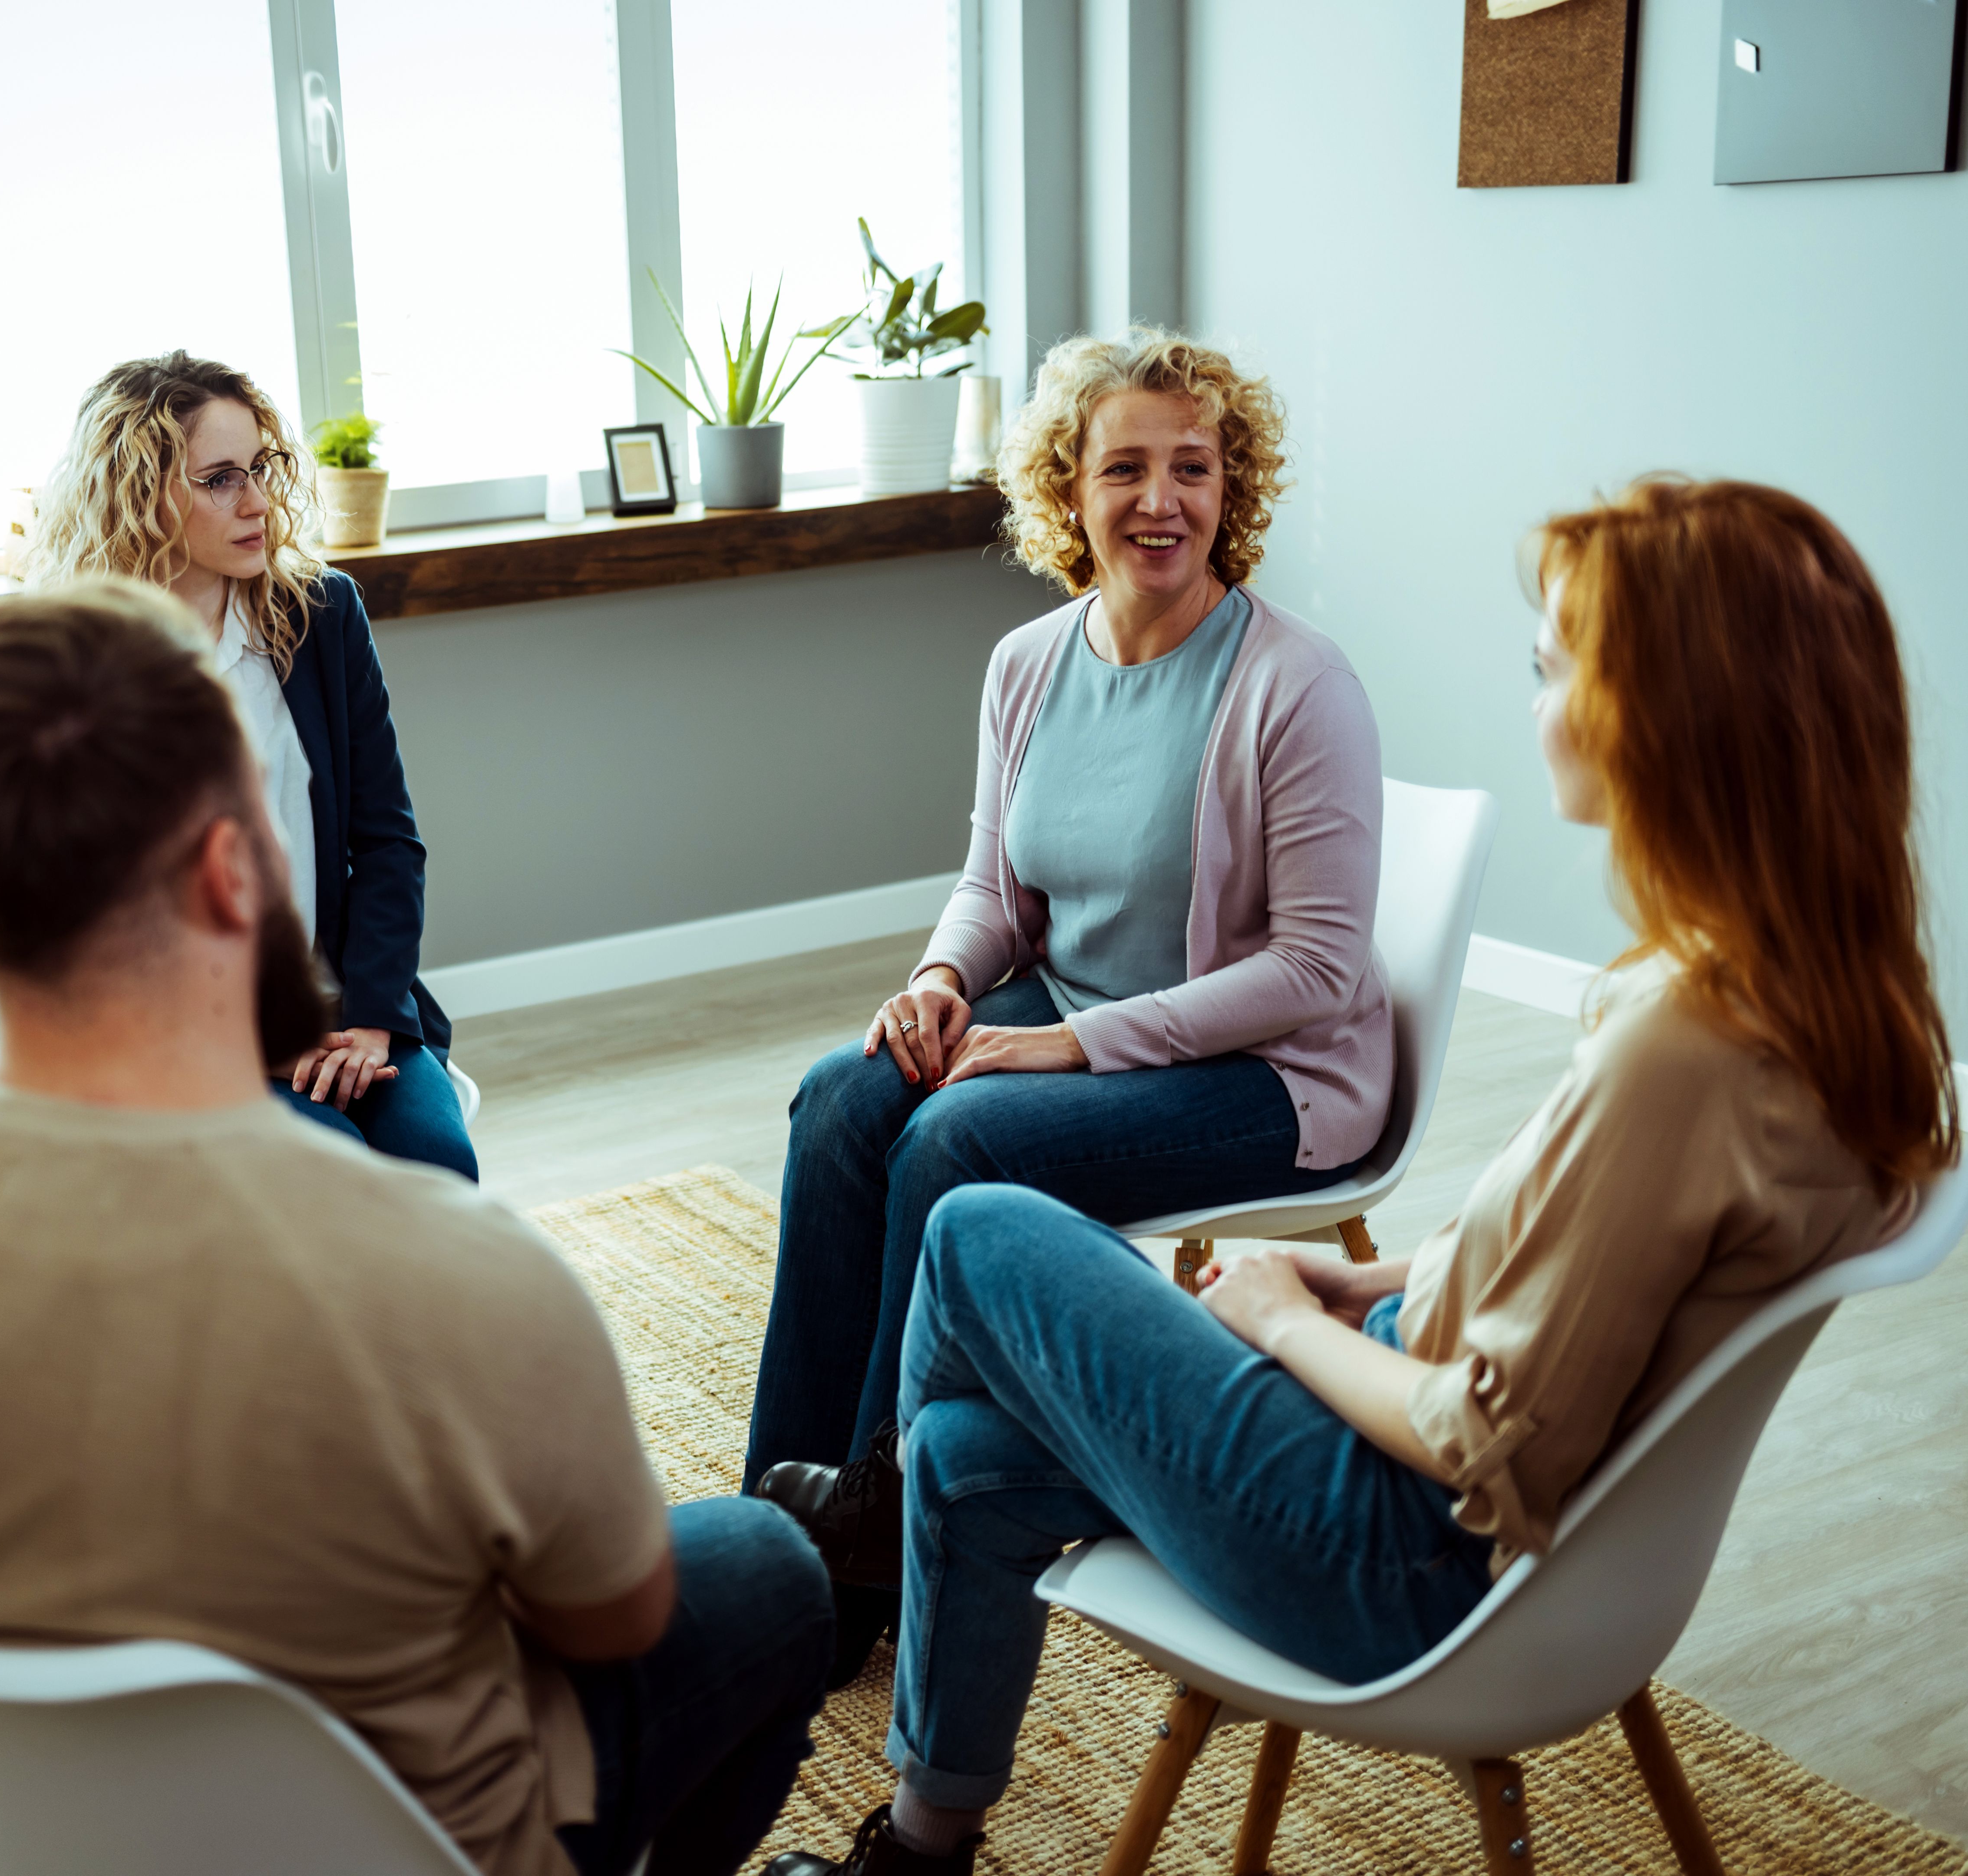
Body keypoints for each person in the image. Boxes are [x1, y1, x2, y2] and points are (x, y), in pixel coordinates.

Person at [756, 476, 1956, 1874]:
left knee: (974, 1227)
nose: (1535, 695)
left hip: (1394, 1551)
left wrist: (1272, 1316)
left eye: (1556, 662)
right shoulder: (1831, 1012)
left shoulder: (1681, 1047)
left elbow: (1484, 1444)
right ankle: (917, 1840)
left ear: (1672, 713)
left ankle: (867, 1514)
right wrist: (1377, 1275)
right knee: (966, 1452)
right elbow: (1601, 1273)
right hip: (1407, 1470)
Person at [0, 582, 833, 1876]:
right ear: (230, 871)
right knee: (767, 1561)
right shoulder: (463, 1273)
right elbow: (609, 1618)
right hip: (406, 1851)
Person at [744, 330, 1390, 1678]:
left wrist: (1064, 1045)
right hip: (1083, 1012)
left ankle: (878, 1504)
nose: (1161, 501)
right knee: (844, 1100)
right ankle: (782, 1531)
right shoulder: (1029, 663)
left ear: (1233, 489)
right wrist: (936, 981)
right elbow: (994, 887)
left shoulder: (1294, 683)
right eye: (1125, 468)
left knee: (955, 1138)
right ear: (1066, 489)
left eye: (1193, 468)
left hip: (1269, 1075)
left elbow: (1317, 973)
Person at [30, 351, 477, 1179]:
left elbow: (387, 843)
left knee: (438, 1168)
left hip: (351, 1014)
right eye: (220, 479)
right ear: (140, 493)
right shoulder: (74, 670)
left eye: (261, 469)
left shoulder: (322, 616)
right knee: (338, 1183)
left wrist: (373, 1023)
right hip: (188, 1041)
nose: (259, 502)